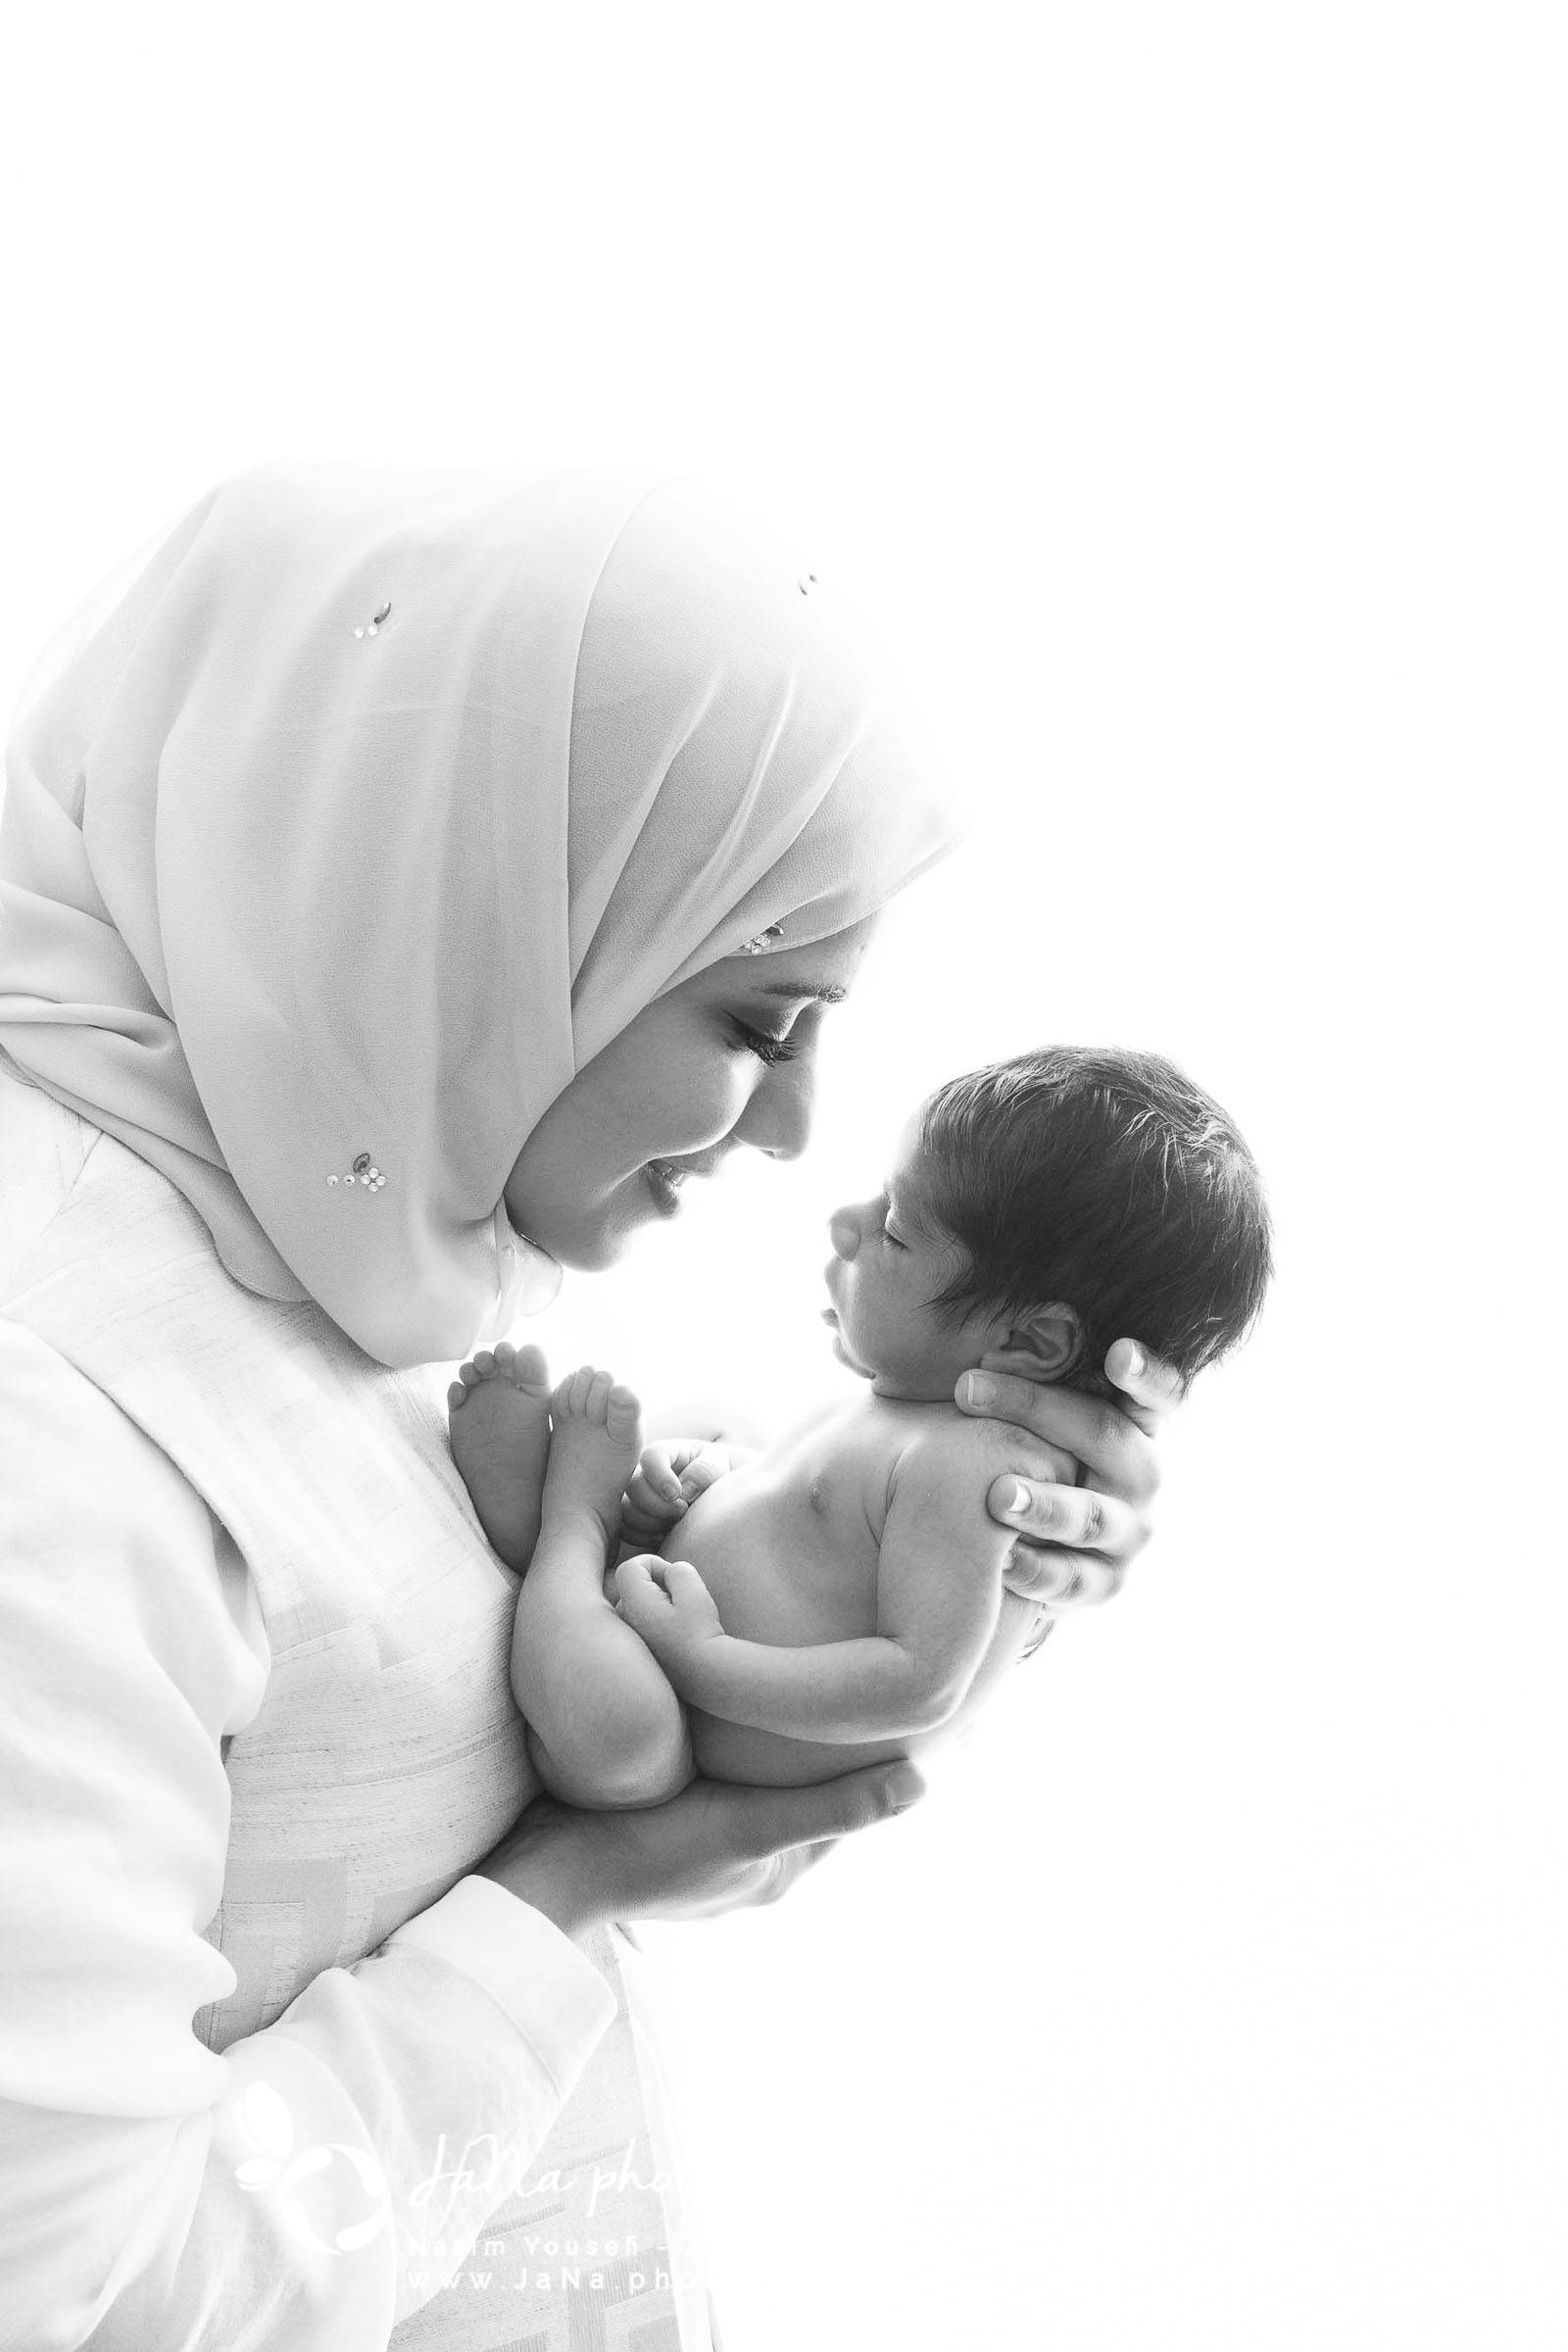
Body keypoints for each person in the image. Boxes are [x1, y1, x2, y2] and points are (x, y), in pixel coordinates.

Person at [0, 463, 1176, 2351]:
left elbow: (376, 1687)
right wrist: (577, 1893)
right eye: (758, 1023)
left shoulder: (350, 1185)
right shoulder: (47, 1420)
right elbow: (92, 2294)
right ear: (471, 909)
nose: (796, 1134)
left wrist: (957, 1518)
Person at [450, 1045, 1269, 1804]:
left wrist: (706, 1662)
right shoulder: (918, 1408)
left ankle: (567, 1524)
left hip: (682, 1728)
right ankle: (580, 1536)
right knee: (726, 1425)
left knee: (616, 1724)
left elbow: (917, 1684)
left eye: (895, 1229)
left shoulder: (981, 1468)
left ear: (1028, 1342)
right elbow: (824, 1525)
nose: (847, 1224)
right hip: (671, 1610)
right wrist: (708, 1474)